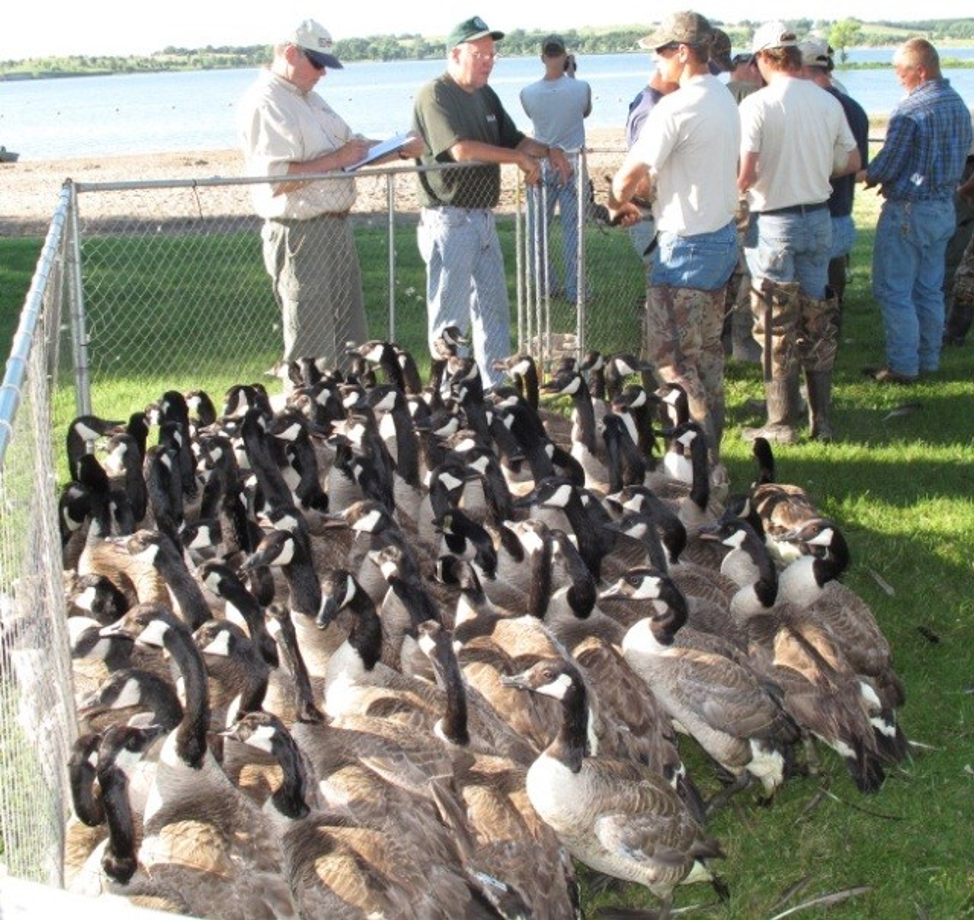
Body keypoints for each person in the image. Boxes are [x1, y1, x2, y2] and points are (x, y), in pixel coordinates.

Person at [238, 19, 423, 368]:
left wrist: (398, 148)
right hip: (300, 232)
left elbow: (352, 152)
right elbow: (274, 179)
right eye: (317, 62)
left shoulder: (309, 97)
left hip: (336, 227)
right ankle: (309, 401)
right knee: (311, 343)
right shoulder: (266, 102)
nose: (323, 73)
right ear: (290, 53)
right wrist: (337, 160)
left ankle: (347, 398)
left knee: (350, 337)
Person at [412, 16, 571, 389]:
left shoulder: (486, 94)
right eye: (480, 54)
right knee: (450, 322)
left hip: (482, 218)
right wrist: (518, 159)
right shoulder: (434, 95)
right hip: (448, 218)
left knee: (493, 310)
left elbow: (514, 139)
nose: (489, 62)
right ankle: (449, 398)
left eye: (492, 55)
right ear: (455, 54)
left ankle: (495, 394)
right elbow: (461, 150)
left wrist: (548, 150)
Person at [609, 11, 741, 460]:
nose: (656, 58)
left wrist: (617, 202)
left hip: (686, 246)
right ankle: (713, 457)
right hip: (721, 240)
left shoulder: (676, 106)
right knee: (707, 357)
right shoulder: (723, 98)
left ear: (683, 52)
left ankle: (699, 463)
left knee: (672, 364)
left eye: (661, 50)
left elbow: (628, 177)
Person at [738, 22, 860, 443]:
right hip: (818, 217)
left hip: (774, 219)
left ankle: (780, 421)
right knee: (816, 317)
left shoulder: (758, 105)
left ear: (764, 58)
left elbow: (746, 173)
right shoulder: (828, 101)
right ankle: (821, 421)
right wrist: (815, 170)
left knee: (775, 322)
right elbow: (852, 161)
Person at [862, 38, 972, 383]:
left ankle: (903, 365)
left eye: (901, 72)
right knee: (929, 288)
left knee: (894, 290)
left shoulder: (910, 110)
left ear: (920, 71)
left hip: (909, 209)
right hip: (943, 206)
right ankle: (929, 358)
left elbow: (888, 164)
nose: (898, 79)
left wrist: (861, 174)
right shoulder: (958, 104)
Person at [520, 35, 592, 303]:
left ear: (542, 57)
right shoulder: (581, 87)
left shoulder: (527, 93)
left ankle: (544, 285)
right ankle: (577, 290)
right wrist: (571, 75)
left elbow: (534, 117)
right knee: (573, 231)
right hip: (572, 162)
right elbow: (584, 111)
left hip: (542, 162)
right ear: (565, 57)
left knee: (537, 231)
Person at [799, 37, 869, 308]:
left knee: (805, 299)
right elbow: (860, 168)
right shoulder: (855, 108)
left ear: (801, 69)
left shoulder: (812, 107)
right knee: (832, 295)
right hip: (841, 212)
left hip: (811, 215)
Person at [624, 39, 680, 269]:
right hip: (651, 217)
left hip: (655, 214)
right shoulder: (652, 110)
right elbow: (642, 179)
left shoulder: (652, 101)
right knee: (663, 279)